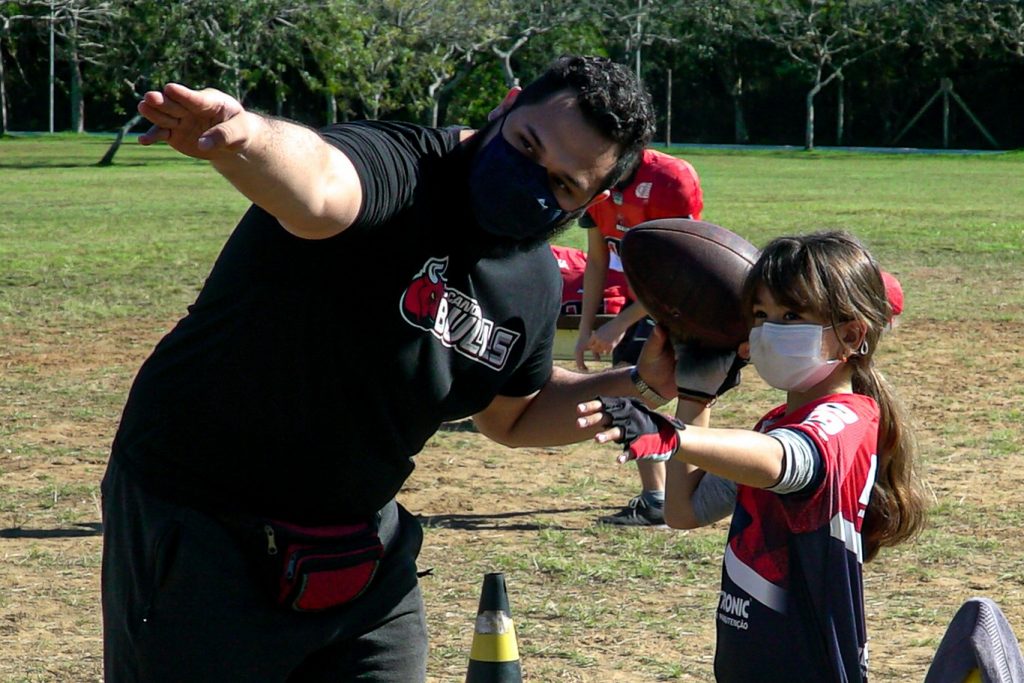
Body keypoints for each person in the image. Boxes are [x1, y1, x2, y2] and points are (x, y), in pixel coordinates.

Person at [102, 55, 672, 682]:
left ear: (593, 200)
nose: (532, 178)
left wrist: (641, 382)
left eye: (564, 184)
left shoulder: (530, 282)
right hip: (201, 523)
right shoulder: (399, 167)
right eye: (527, 145)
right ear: (505, 105)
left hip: (357, 545)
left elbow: (516, 415)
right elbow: (320, 185)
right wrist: (247, 134)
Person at [577, 230, 927, 682]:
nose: (769, 329)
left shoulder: (848, 420)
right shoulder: (772, 423)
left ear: (851, 334)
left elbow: (786, 461)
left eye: (791, 314)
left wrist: (672, 437)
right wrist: (695, 396)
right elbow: (683, 510)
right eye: (760, 315)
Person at [574, 148, 704, 527]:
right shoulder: (589, 173)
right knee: (633, 390)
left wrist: (620, 324)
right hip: (644, 299)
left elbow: (681, 265)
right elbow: (597, 259)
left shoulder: (669, 179)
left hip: (683, 299)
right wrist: (587, 329)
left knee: (662, 393)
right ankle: (659, 498)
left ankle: (667, 498)